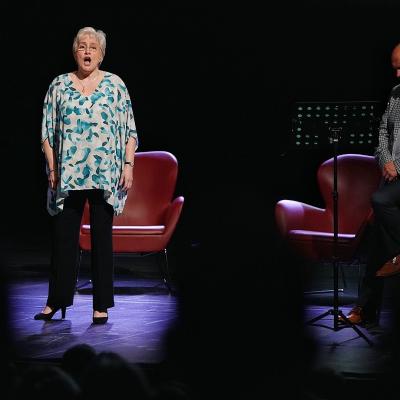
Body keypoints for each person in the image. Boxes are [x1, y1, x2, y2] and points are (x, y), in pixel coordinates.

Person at [34, 26, 138, 324]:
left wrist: (128, 165)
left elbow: (130, 130)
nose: (87, 51)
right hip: (68, 174)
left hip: (105, 173)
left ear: (101, 54)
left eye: (93, 47)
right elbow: (47, 131)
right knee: (63, 238)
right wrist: (52, 168)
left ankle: (101, 304)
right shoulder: (59, 85)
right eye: (82, 46)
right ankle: (56, 301)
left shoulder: (115, 85)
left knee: (102, 239)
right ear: (75, 52)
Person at [343, 42, 400, 324]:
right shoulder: (396, 93)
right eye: (395, 68)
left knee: (380, 200)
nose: (397, 74)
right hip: (392, 177)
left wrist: (397, 166)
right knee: (377, 236)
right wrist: (387, 161)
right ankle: (365, 309)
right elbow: (382, 133)